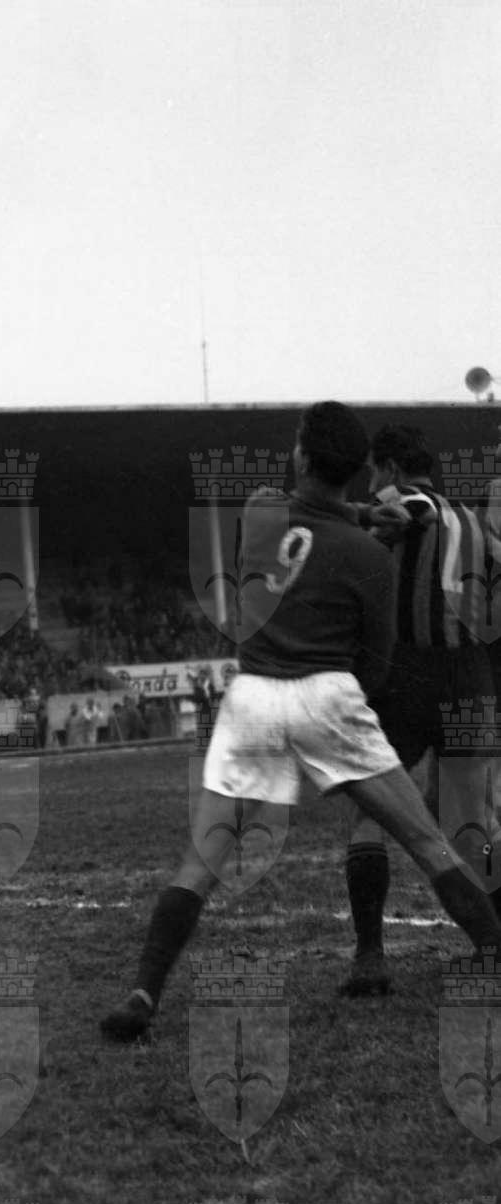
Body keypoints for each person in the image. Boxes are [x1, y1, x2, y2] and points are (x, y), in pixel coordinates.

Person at [101, 402, 501, 1043]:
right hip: (329, 695)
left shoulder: (260, 510)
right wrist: (368, 522)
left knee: (201, 861)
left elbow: (310, 513)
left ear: (305, 458)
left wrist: (361, 512)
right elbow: (378, 658)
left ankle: (143, 993)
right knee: (429, 842)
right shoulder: (369, 555)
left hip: (254, 698)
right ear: (359, 469)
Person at [339, 423, 501, 994]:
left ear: (388, 466)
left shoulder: (409, 500)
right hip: (471, 679)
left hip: (408, 678)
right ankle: (494, 941)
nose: (371, 482)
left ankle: (369, 957)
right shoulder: (475, 522)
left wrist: (342, 513)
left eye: (373, 471)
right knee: (468, 820)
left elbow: (410, 509)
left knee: (370, 808)